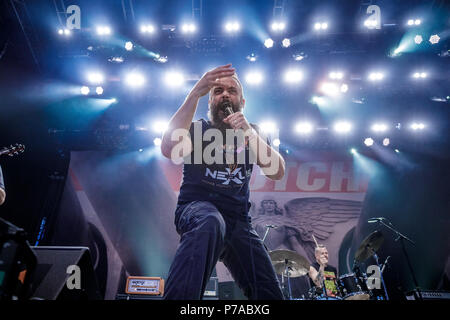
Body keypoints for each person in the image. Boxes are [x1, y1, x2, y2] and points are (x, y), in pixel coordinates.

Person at [161, 64, 286, 300]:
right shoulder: (198, 129)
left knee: (268, 291)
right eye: (217, 91)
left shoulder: (254, 133)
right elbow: (168, 148)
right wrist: (194, 93)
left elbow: (277, 172)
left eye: (232, 90)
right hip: (196, 209)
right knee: (210, 220)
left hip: (238, 222)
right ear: (209, 102)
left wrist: (248, 132)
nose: (225, 94)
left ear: (243, 102)